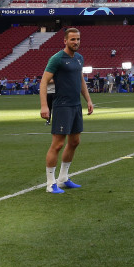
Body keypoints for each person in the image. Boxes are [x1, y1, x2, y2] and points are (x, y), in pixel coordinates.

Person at [39, 28, 94, 194]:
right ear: (65, 41)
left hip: (76, 105)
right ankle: (50, 183)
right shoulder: (57, 59)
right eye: (72, 39)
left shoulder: (79, 58)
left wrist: (88, 100)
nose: (76, 42)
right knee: (58, 144)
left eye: (78, 39)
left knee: (75, 142)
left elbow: (81, 80)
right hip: (62, 106)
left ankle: (63, 178)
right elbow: (43, 82)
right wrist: (44, 106)